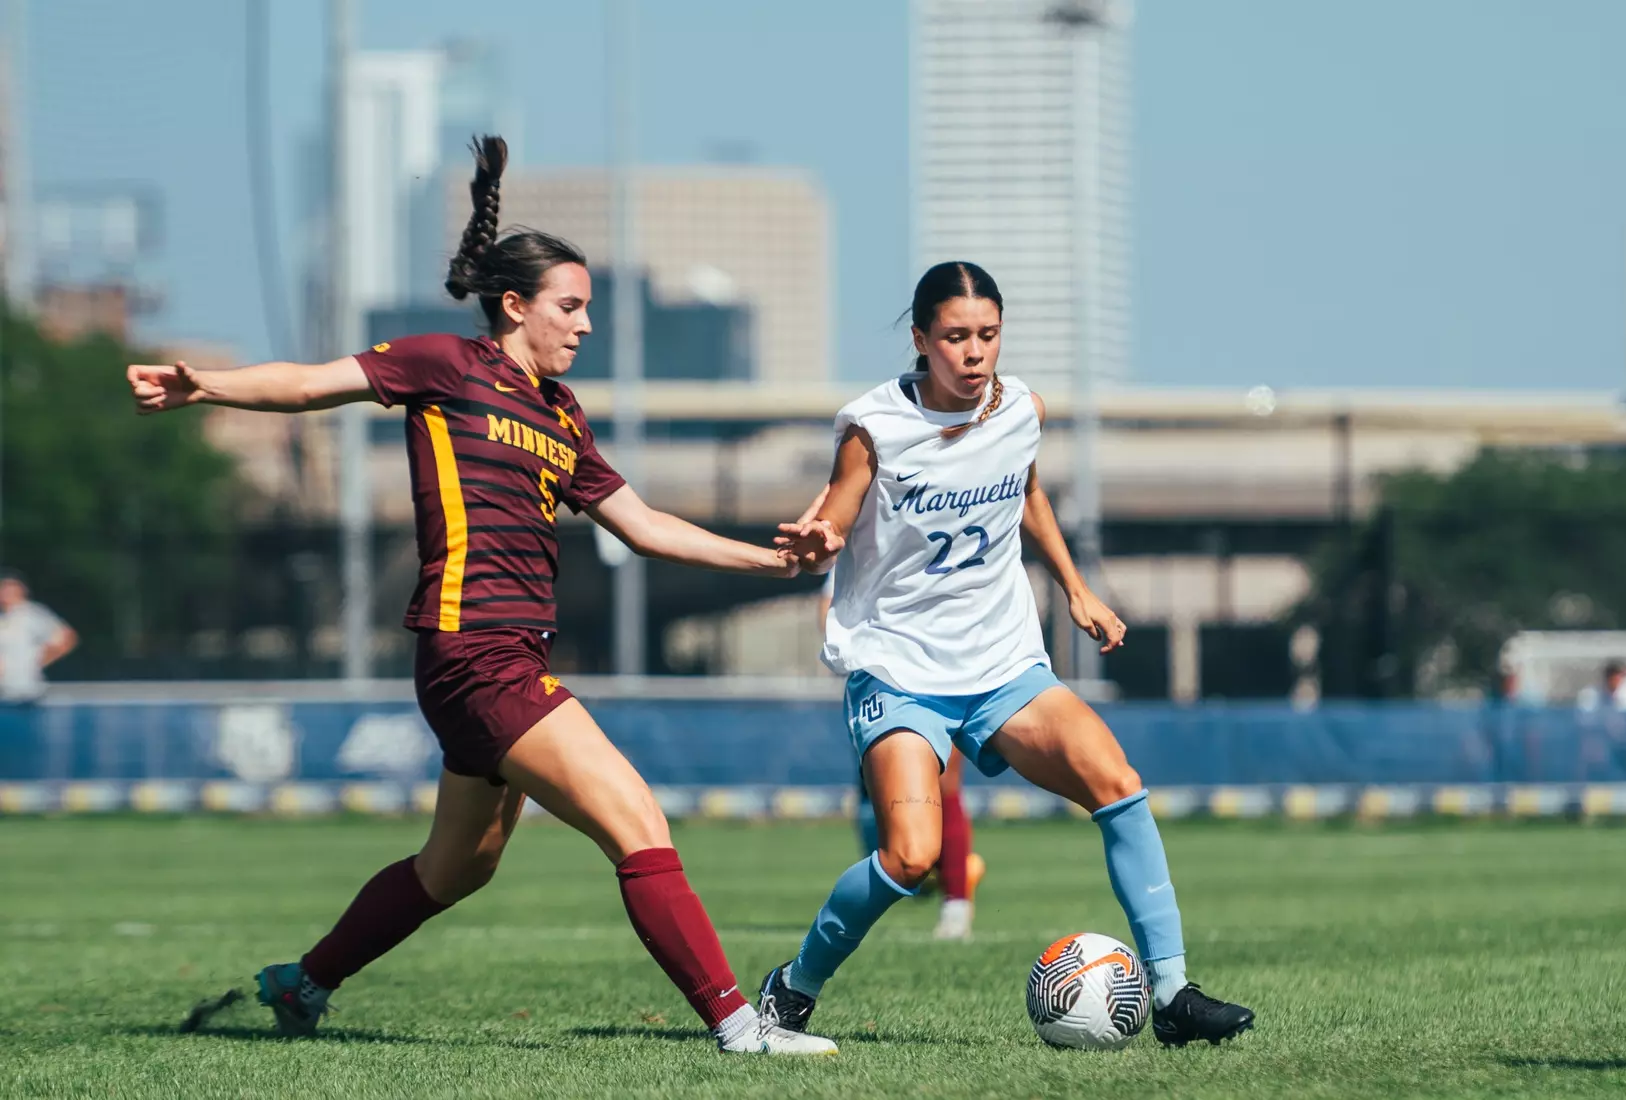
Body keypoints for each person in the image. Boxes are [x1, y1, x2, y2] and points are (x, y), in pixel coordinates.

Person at [128, 136, 834, 1055]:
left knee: (456, 869)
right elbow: (310, 384)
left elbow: (647, 525)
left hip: (502, 658)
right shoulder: (445, 366)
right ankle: (742, 1027)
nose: (584, 327)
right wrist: (205, 387)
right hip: (473, 652)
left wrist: (769, 562)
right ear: (515, 305)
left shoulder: (562, 412)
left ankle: (301, 984)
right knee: (637, 820)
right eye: (570, 308)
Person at [759, 261, 1254, 1047]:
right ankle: (792, 989)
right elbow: (838, 512)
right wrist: (821, 535)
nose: (974, 351)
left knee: (1118, 784)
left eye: (987, 334)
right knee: (910, 855)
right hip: (898, 669)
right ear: (921, 339)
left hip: (1002, 664)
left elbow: (1026, 492)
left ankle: (1170, 995)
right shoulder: (874, 426)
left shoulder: (1022, 408)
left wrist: (1076, 589)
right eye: (955, 336)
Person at [816, 559, 984, 939]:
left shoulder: (953, 531)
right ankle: (918, 871)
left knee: (945, 782)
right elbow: (827, 606)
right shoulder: (867, 541)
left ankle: (956, 903)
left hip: (948, 673)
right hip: (884, 681)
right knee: (878, 791)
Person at [0, 570, 79, 703]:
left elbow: (67, 637)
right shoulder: (4, 619)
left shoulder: (32, 614)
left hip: (26, 691)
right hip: (4, 690)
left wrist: (38, 661)